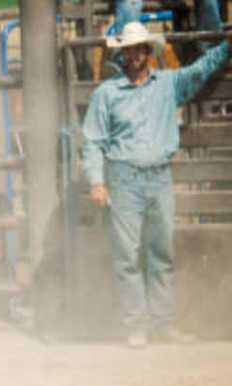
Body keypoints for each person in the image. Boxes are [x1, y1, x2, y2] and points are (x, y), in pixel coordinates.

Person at [82, 21, 232, 348]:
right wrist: (97, 181)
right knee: (128, 254)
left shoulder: (168, 83)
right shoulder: (107, 93)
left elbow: (200, 70)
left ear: (148, 52)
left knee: (160, 251)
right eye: (129, 50)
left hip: (158, 175)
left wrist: (227, 46)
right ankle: (137, 324)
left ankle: (161, 324)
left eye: (139, 49)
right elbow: (93, 141)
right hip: (124, 176)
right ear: (122, 54)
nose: (134, 55)